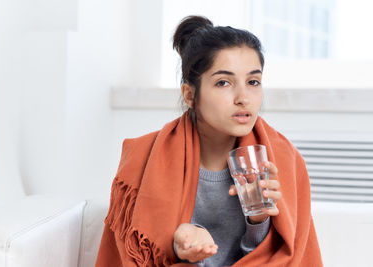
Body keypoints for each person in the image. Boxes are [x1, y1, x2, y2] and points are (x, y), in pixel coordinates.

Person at [95, 15, 323, 267]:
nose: (243, 97)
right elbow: (138, 254)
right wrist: (182, 248)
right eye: (223, 82)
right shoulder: (143, 159)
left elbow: (286, 257)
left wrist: (258, 221)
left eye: (253, 82)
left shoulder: (282, 160)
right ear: (190, 95)